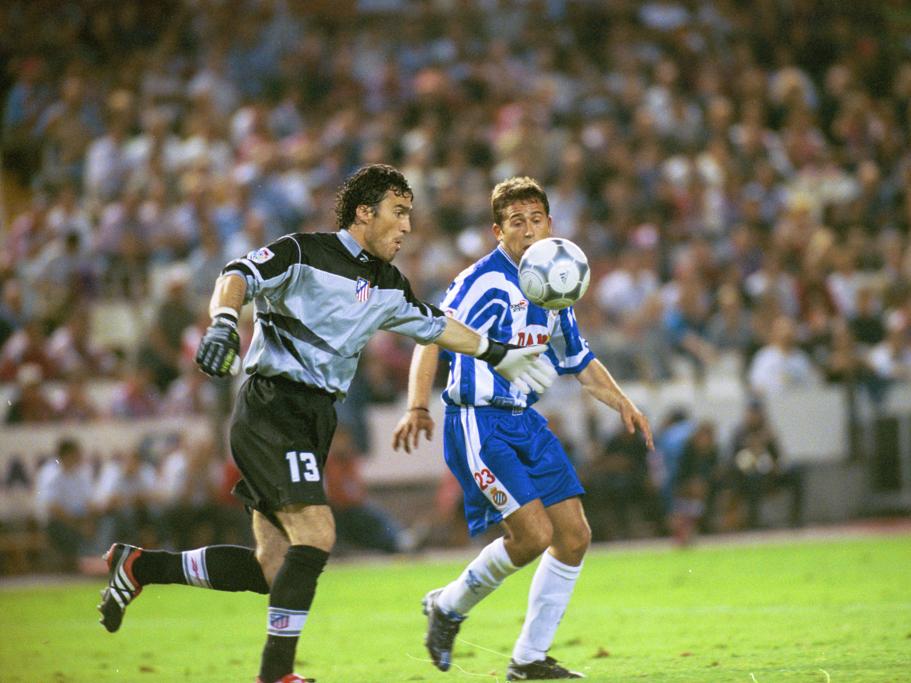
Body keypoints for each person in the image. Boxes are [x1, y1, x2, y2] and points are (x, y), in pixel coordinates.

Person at [96, 164, 554, 683]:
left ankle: (139, 567)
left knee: (273, 566)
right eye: (398, 213)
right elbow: (236, 275)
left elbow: (436, 325)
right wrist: (224, 322)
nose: (407, 227)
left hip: (315, 418)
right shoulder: (303, 252)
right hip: (274, 406)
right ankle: (276, 675)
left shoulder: (387, 283)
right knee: (317, 533)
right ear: (365, 212)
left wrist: (500, 353)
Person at [392, 176, 653, 681]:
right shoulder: (483, 281)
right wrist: (417, 405)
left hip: (525, 421)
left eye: (536, 219)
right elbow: (429, 336)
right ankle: (448, 605)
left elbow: (579, 361)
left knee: (573, 535)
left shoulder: (556, 282)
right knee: (532, 535)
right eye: (517, 222)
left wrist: (624, 402)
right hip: (478, 419)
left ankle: (528, 661)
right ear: (498, 232)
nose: (528, 230)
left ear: (550, 224)